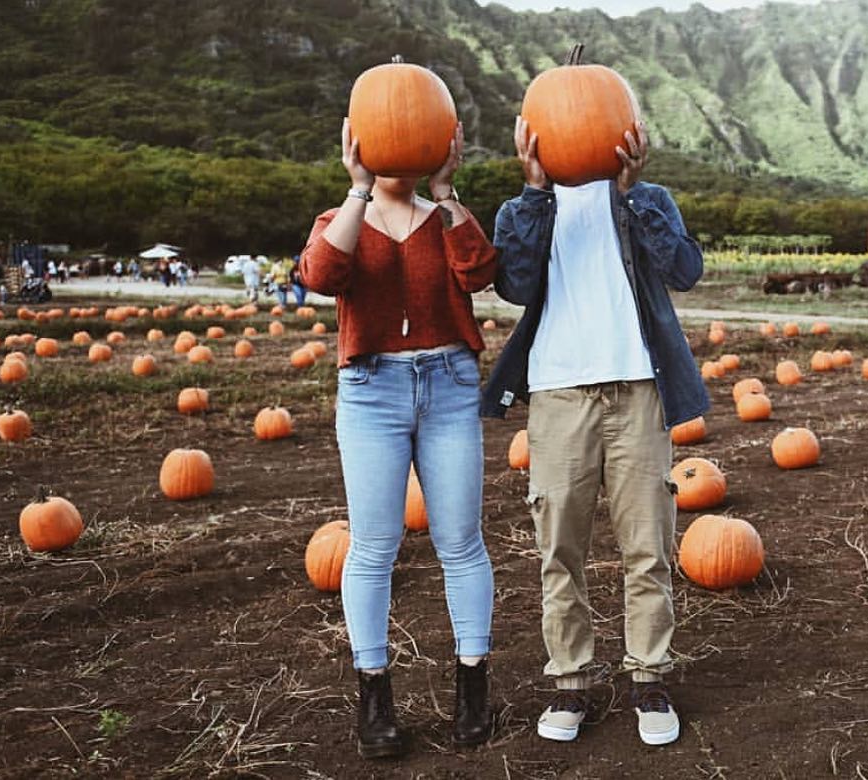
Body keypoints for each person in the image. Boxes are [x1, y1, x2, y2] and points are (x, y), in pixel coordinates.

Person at [481, 116, 708, 747]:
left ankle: (649, 677)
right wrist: (533, 192)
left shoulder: (647, 199)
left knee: (648, 546)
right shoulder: (523, 209)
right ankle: (571, 680)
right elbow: (514, 284)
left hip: (639, 389)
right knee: (560, 547)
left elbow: (685, 269)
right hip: (558, 394)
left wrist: (634, 193)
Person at [299, 119, 496, 759]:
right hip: (372, 390)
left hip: (449, 382)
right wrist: (357, 190)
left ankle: (473, 689)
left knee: (460, 541)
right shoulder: (339, 215)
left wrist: (446, 193)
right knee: (374, 544)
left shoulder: (444, 215)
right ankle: (375, 694)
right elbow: (321, 276)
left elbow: (480, 273)